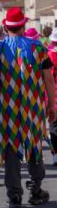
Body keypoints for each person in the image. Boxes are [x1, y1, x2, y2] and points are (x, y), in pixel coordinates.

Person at [0, 8, 56, 208]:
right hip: (33, 107)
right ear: (23, 25)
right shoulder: (38, 47)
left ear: (6, 27)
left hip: (7, 108)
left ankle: (14, 196)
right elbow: (48, 80)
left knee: (11, 147)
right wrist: (51, 104)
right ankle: (35, 189)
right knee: (34, 146)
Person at [47, 28, 57, 166]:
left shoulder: (49, 55)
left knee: (54, 125)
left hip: (54, 96)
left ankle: (56, 154)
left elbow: (47, 78)